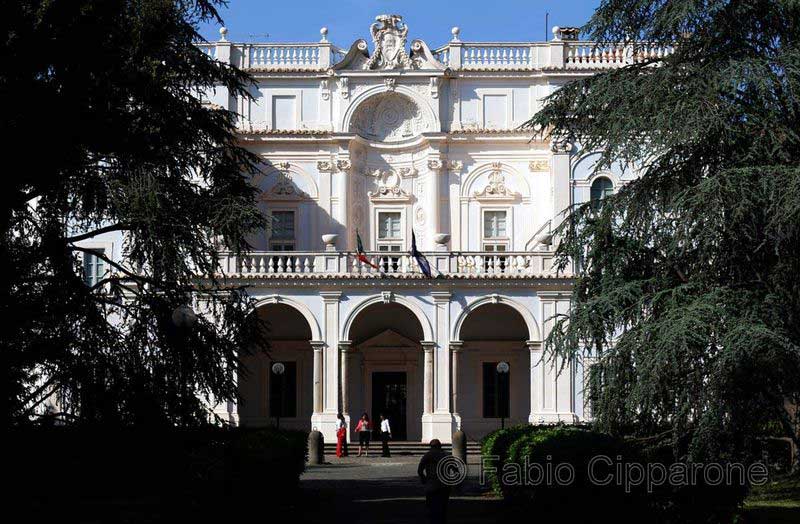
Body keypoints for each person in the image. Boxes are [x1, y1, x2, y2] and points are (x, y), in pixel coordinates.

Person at [418, 439, 451, 524]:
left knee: (431, 506)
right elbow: (455, 469)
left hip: (431, 484)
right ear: (440, 446)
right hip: (444, 484)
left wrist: (423, 479)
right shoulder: (446, 455)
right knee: (443, 506)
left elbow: (420, 470)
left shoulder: (427, 455)